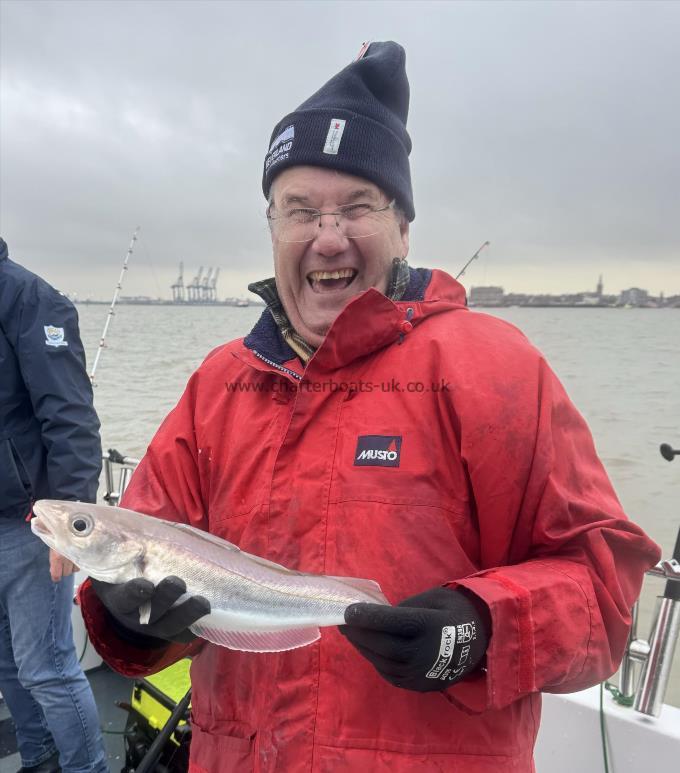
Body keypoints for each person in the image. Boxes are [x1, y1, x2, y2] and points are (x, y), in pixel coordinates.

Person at [77, 43, 660, 772]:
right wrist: (129, 623)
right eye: (300, 210)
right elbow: (148, 584)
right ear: (272, 227)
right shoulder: (218, 387)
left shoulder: (495, 368)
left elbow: (604, 583)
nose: (328, 236)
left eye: (357, 206)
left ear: (403, 226)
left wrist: (481, 627)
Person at [0, 237, 108, 773]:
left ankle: (86, 767)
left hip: (30, 524)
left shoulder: (29, 298)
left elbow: (71, 418)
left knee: (47, 666)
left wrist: (69, 531)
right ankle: (39, 759)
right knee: (5, 663)